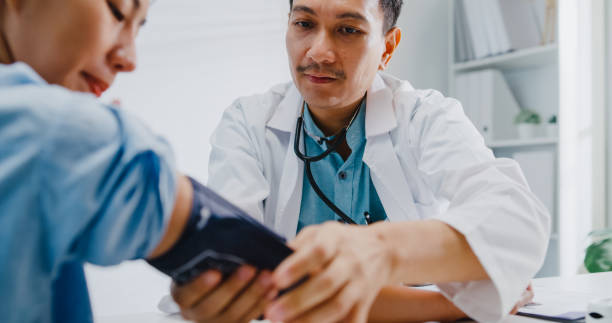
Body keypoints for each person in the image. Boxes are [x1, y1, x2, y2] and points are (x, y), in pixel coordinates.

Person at [171, 0, 550, 322]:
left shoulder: (426, 117)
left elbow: (515, 220)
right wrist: (447, 306)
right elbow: (245, 280)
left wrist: (379, 251)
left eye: (348, 30)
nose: (318, 52)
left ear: (387, 47)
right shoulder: (247, 122)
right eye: (304, 24)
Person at [0, 1, 265, 322]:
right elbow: (269, 270)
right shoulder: (59, 132)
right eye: (117, 11)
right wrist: (340, 257)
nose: (129, 60)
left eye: (139, 27)